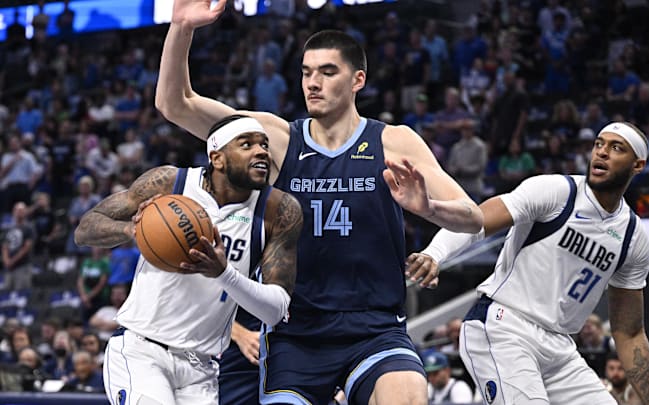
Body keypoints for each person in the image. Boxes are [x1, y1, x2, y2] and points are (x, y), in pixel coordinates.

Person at [155, 1, 484, 404]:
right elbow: (176, 104)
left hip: (375, 329)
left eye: (328, 73)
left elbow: (474, 218)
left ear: (357, 79)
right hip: (297, 336)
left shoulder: (392, 141)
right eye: (307, 72)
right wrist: (181, 28)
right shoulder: (275, 139)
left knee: (409, 395)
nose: (313, 82)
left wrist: (431, 210)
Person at [406, 122, 649, 404]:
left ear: (637, 165)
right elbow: (476, 221)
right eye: (599, 144)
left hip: (560, 347)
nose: (602, 153)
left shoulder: (632, 237)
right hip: (504, 326)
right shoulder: (557, 192)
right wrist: (435, 253)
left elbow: (629, 332)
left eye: (616, 148)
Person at [73, 114, 303, 405]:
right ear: (217, 158)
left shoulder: (279, 211)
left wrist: (223, 274)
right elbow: (86, 228)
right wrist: (133, 229)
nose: (262, 152)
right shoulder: (172, 183)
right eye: (247, 145)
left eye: (265, 145)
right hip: (142, 351)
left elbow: (275, 311)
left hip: (202, 367)